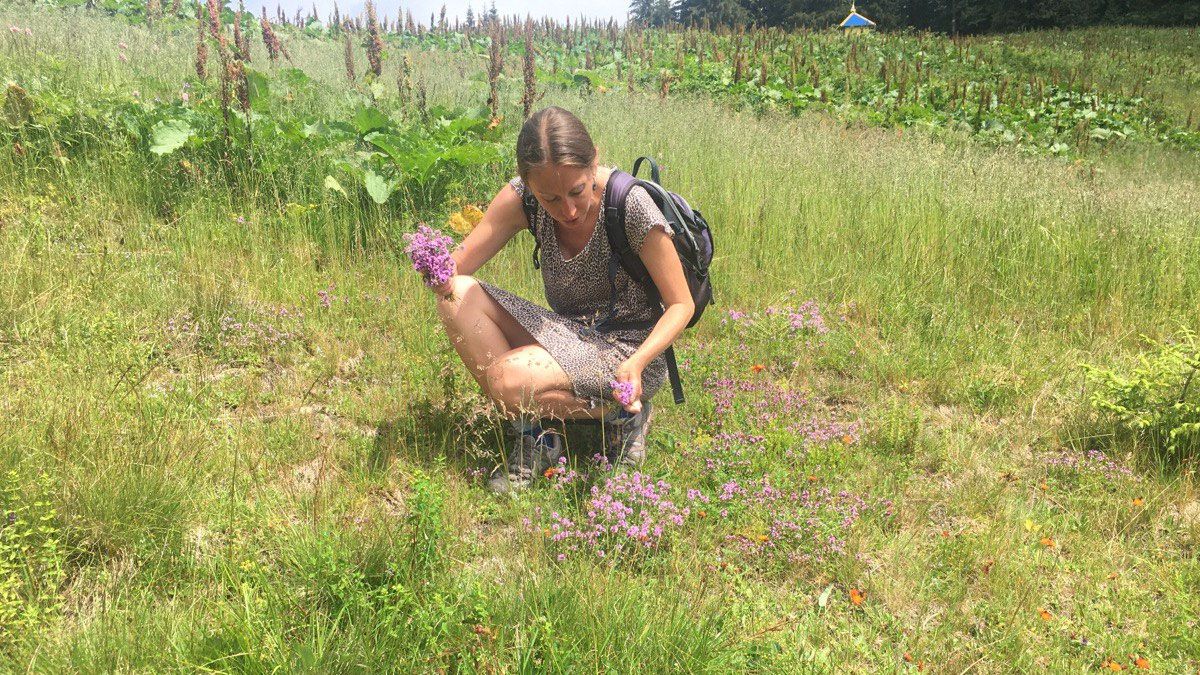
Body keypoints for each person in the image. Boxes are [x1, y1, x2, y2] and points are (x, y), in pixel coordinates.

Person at [427, 106, 694, 494]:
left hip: (629, 353)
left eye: (577, 191)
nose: (567, 210)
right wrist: (435, 271)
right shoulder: (522, 199)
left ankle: (623, 415)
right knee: (456, 296)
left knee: (505, 378)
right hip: (569, 334)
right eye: (549, 198)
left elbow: (681, 304)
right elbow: (456, 269)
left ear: (594, 163)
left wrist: (637, 363)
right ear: (528, 184)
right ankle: (538, 435)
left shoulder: (630, 204)